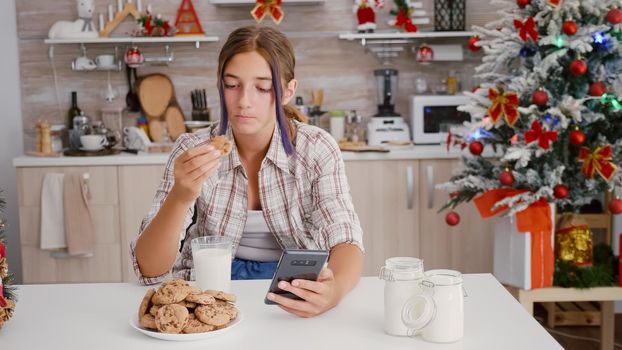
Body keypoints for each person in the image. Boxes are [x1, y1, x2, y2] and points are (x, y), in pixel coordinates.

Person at [131, 26, 364, 318]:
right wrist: (180, 196)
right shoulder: (191, 149)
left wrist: (335, 291)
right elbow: (150, 270)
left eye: (263, 87)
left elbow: (346, 239)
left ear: (288, 91)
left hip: (293, 292)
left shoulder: (316, 149)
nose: (244, 101)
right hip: (208, 292)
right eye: (232, 85)